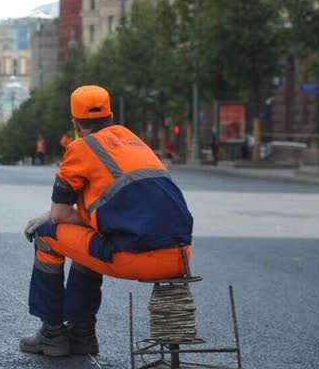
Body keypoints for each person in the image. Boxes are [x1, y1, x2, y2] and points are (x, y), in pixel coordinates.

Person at [21, 85, 193, 357]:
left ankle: (52, 334)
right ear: (111, 117)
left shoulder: (80, 147)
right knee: (87, 238)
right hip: (180, 256)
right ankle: (82, 334)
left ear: (76, 123)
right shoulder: (134, 140)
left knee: (45, 234)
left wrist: (52, 218)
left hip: (135, 255)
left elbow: (59, 215)